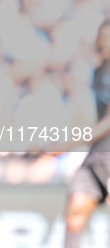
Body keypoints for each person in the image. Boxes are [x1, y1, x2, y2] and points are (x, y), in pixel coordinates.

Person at [63, 20, 110, 248]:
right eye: (102, 36)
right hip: (98, 152)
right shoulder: (99, 70)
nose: (104, 41)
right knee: (75, 210)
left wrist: (72, 141)